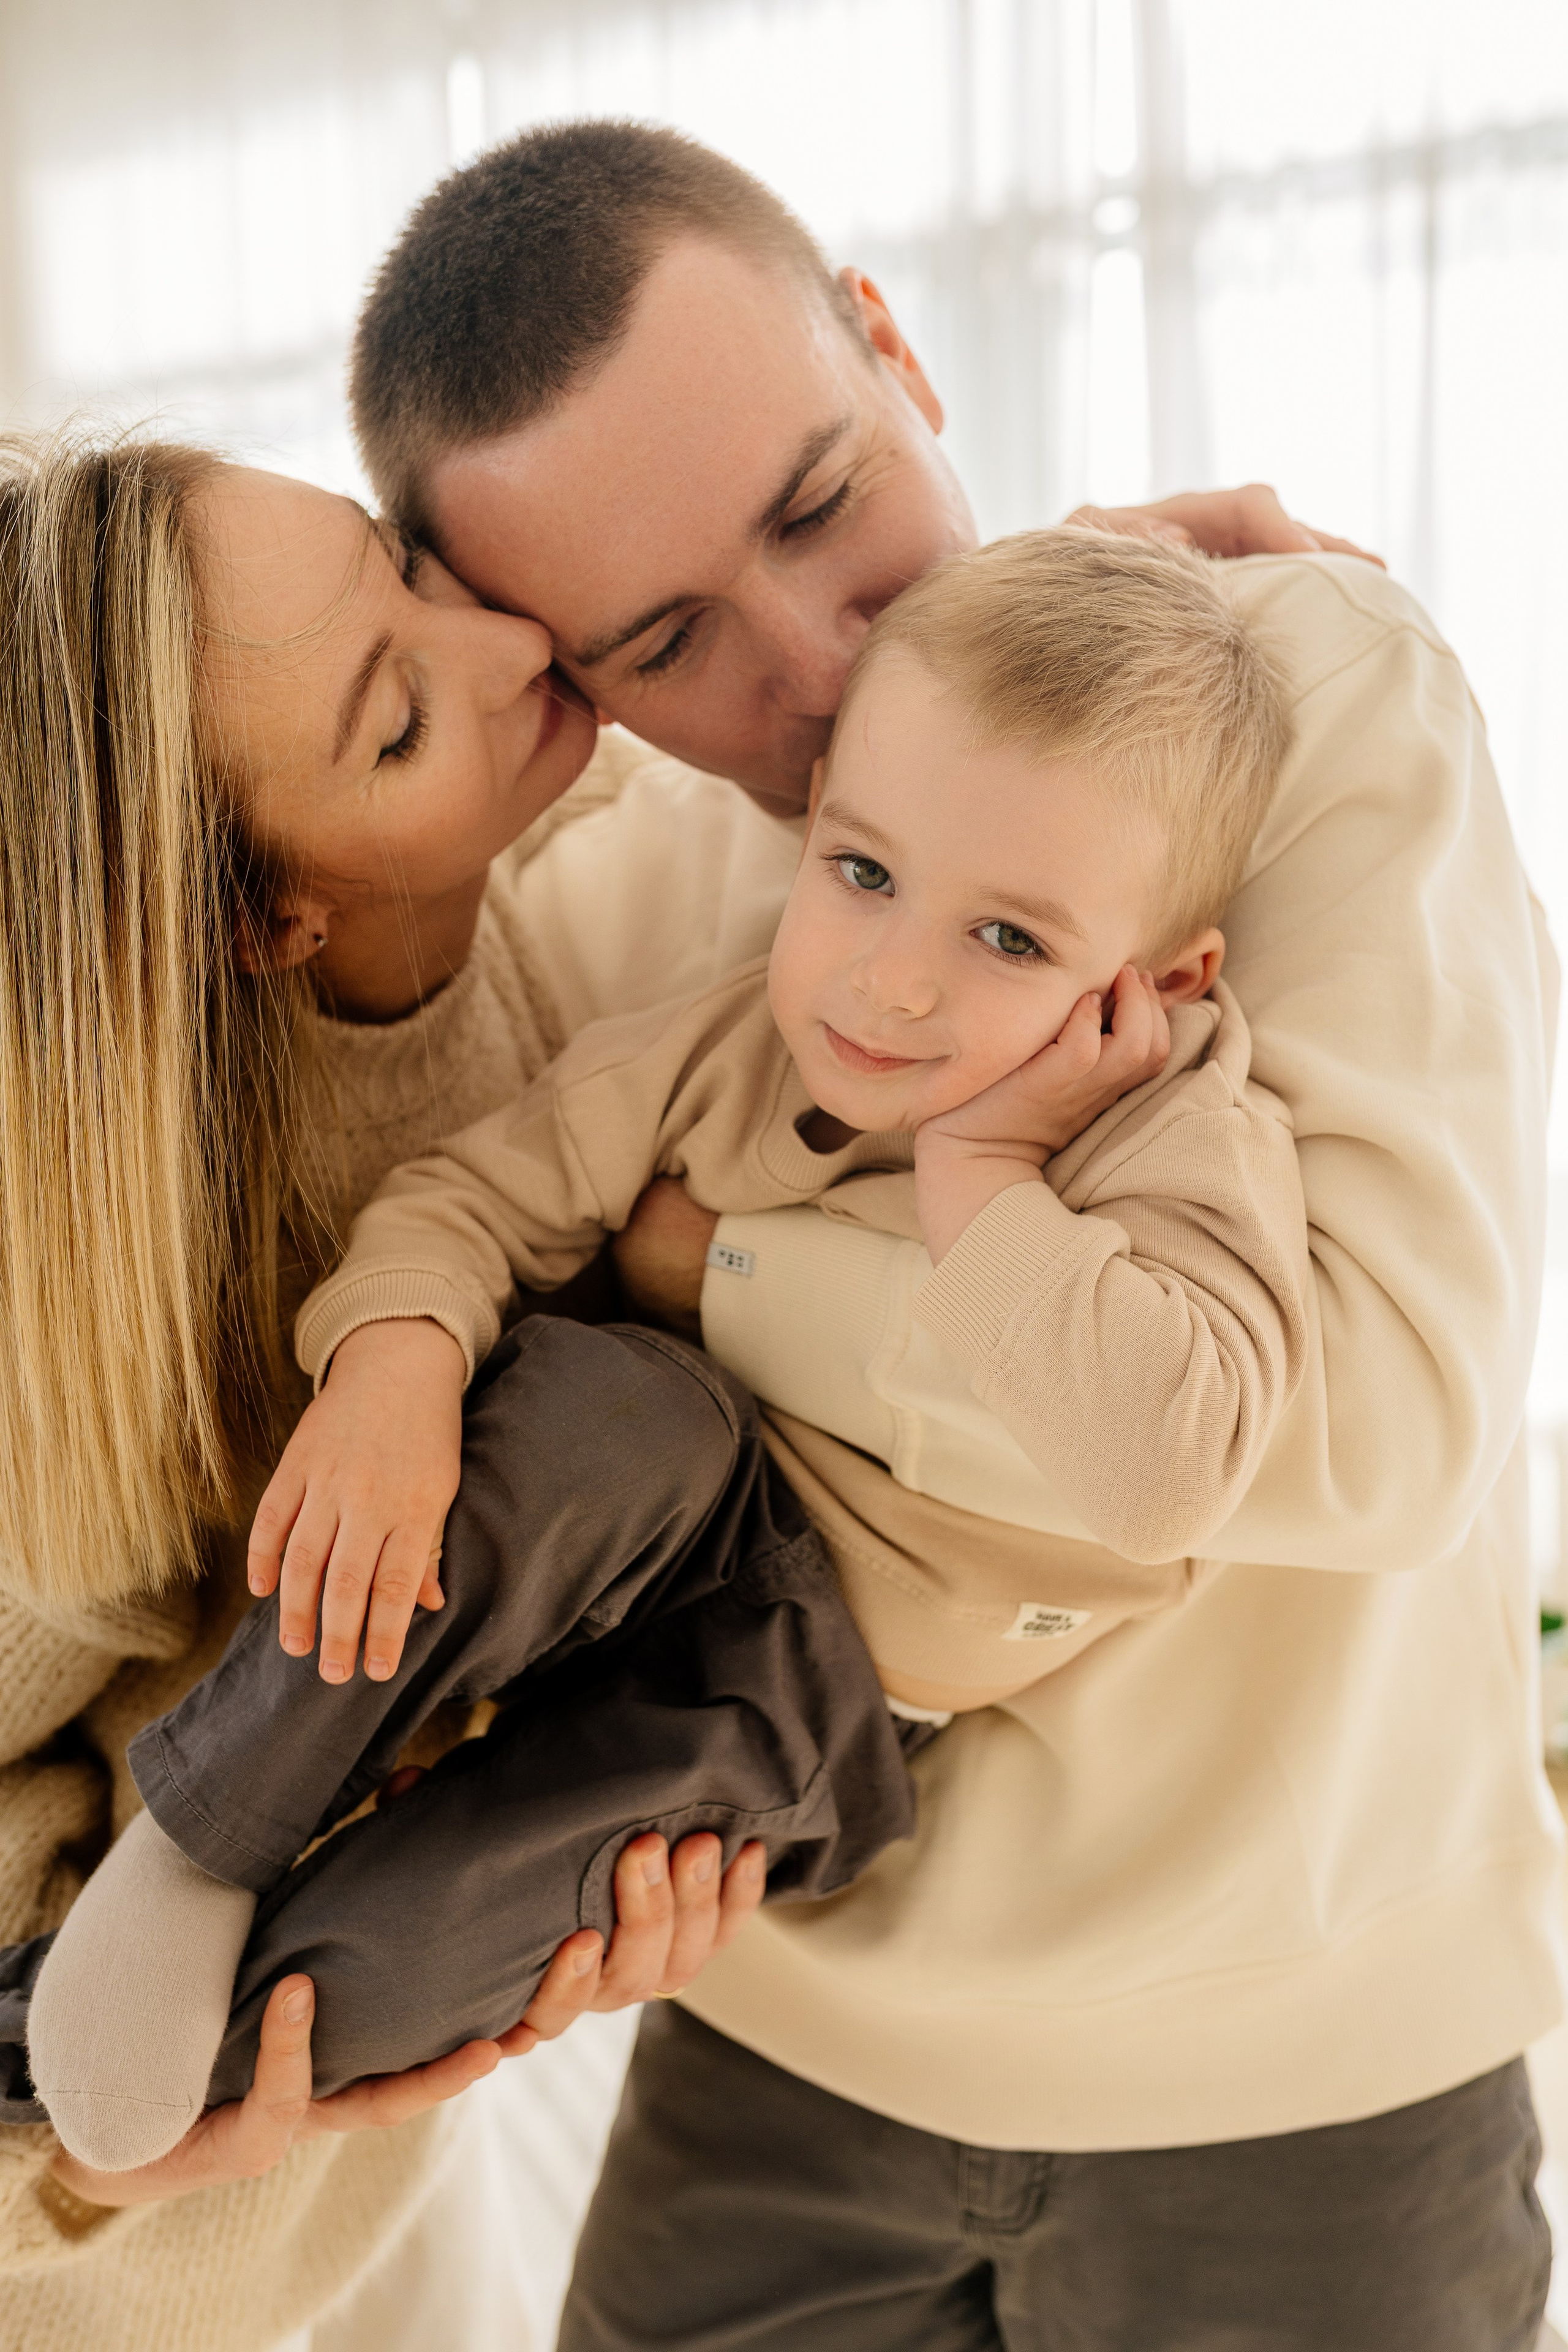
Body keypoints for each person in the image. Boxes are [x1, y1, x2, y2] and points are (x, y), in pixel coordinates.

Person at [339, 121, 1556, 2350]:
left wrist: (713, 1270)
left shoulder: (1299, 679)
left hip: (1317, 2067)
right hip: (783, 2054)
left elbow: (1381, 1437)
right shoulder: (607, 898)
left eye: (822, 503)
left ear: (895, 350)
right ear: (571, 681)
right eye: (672, 639)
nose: (818, 664)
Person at [0, 430, 1293, 2349]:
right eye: (395, 718)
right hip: (120, 2276)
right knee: (610, 1415)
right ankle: (143, 1926)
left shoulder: (609, 899)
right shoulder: (77, 1281)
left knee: (598, 1830)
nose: (517, 647)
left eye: (399, 563)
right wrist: (52, 2157)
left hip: (390, 2172)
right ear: (267, 921)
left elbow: (949, 776)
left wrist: (1088, 579)